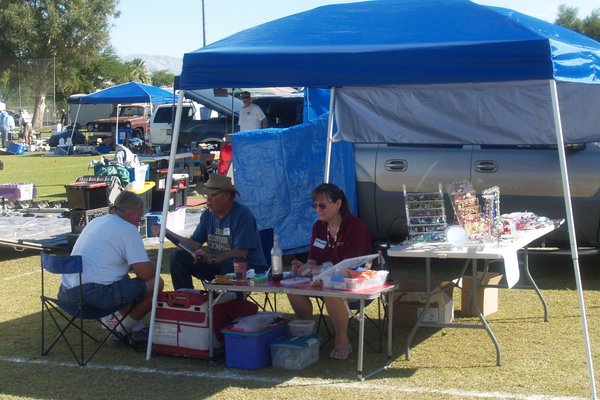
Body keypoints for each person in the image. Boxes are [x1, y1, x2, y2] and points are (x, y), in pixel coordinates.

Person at [58, 191, 164, 344]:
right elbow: (145, 274)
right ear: (131, 213)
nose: (140, 220)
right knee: (156, 283)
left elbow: (108, 261)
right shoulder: (127, 229)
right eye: (140, 216)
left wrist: (139, 259)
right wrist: (153, 262)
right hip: (91, 295)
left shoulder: (96, 222)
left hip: (66, 293)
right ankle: (121, 331)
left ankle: (137, 328)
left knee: (122, 277)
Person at [288, 183, 372, 360]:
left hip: (355, 282)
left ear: (338, 204)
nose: (317, 210)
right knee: (292, 290)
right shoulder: (318, 227)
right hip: (323, 280)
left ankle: (343, 340)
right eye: (315, 205)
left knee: (331, 292)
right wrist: (303, 268)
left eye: (322, 205)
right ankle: (308, 335)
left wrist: (316, 269)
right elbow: (313, 261)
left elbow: (349, 267)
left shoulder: (356, 227)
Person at [153, 174, 267, 289]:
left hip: (247, 269)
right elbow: (195, 244)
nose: (208, 200)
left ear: (227, 196)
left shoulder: (242, 214)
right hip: (217, 265)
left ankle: (232, 303)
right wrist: (166, 232)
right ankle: (186, 298)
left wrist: (213, 258)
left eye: (212, 196)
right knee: (177, 256)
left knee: (231, 263)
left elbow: (241, 253)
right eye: (206, 195)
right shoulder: (208, 215)